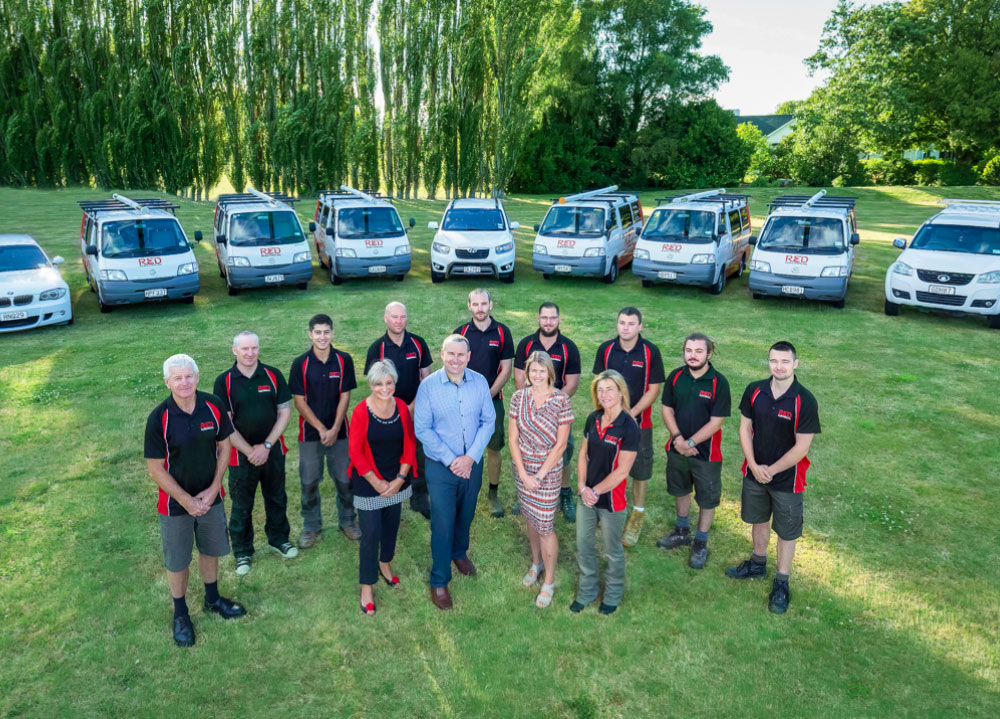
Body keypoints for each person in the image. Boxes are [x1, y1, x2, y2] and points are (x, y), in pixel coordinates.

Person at [144, 354, 246, 647]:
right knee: (177, 560)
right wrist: (187, 501)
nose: (185, 382)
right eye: (178, 378)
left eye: (189, 376)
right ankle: (180, 614)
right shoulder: (159, 418)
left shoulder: (213, 405)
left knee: (211, 548)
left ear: (197, 376)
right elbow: (155, 469)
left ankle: (212, 599)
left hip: (210, 497)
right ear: (167, 382)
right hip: (175, 505)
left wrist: (215, 487)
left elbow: (224, 445)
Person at [726, 341, 820, 615]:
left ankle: (781, 582)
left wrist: (771, 470)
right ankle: (757, 564)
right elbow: (744, 429)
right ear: (768, 362)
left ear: (795, 364)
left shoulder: (805, 400)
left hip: (787, 480)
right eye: (773, 361)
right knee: (758, 519)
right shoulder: (754, 390)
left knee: (787, 532)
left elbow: (802, 447)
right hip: (755, 472)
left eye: (784, 362)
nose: (778, 366)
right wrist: (754, 466)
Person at [413, 334, 496, 610]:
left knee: (467, 512)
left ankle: (459, 552)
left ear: (469, 357)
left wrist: (470, 457)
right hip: (441, 466)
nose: (456, 360)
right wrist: (452, 460)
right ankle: (439, 580)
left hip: (472, 464)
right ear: (442, 354)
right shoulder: (428, 387)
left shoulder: (481, 382)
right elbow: (423, 429)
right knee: (443, 520)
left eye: (461, 355)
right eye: (451, 354)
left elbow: (488, 421)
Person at [214, 331, 297, 577]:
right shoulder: (225, 381)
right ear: (234, 350)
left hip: (273, 452)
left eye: (254, 348)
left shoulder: (272, 375)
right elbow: (225, 424)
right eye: (245, 349)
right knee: (242, 505)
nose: (250, 353)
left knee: (277, 498)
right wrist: (250, 450)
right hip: (241, 457)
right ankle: (242, 552)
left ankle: (279, 539)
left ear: (259, 349)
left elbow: (284, 412)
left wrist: (267, 446)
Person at [348, 360, 417, 616]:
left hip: (396, 478)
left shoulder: (400, 406)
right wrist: (377, 482)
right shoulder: (360, 412)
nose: (384, 388)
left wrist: (399, 479)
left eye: (389, 383)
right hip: (369, 483)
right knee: (371, 533)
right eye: (379, 383)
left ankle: (385, 563)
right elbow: (355, 452)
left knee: (391, 525)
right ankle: (367, 585)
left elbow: (410, 443)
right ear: (371, 384)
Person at [657, 333, 731, 569]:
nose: (693, 355)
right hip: (676, 448)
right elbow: (667, 409)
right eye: (689, 350)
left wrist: (690, 444)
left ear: (709, 354)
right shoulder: (676, 376)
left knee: (707, 499)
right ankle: (681, 531)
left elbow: (716, 421)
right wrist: (678, 439)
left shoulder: (719, 382)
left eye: (699, 351)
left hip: (707, 455)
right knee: (680, 489)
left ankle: (700, 543)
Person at [592, 307, 665, 547]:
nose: (625, 327)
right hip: (607, 422)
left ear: (640, 326)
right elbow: (598, 385)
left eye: (631, 323)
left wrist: (630, 415)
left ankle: (637, 515)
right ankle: (606, 509)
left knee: (639, 471)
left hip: (638, 423)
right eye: (622, 322)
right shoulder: (606, 349)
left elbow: (654, 389)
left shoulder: (649, 351)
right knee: (606, 464)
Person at [508, 351, 574, 608]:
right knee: (530, 518)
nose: (537, 375)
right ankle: (537, 562)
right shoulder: (518, 397)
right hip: (523, 469)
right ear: (527, 373)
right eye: (532, 371)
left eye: (541, 371)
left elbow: (560, 445)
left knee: (545, 524)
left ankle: (549, 580)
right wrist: (524, 474)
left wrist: (539, 475)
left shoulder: (561, 400)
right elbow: (513, 438)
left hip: (547, 472)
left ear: (549, 373)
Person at [571, 370, 638, 616]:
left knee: (612, 551)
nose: (604, 394)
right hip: (586, 496)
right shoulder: (593, 418)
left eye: (610, 389)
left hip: (612, 501)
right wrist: (581, 487)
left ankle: (612, 594)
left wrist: (594, 491)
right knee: (584, 545)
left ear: (621, 392)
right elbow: (583, 454)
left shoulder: (629, 427)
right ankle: (587, 591)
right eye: (600, 390)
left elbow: (622, 472)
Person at [289, 314, 360, 547]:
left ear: (332, 333)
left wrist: (335, 428)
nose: (322, 336)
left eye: (326, 332)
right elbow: (299, 402)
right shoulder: (300, 363)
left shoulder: (343, 360)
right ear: (310, 334)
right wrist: (321, 429)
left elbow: (345, 395)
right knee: (309, 481)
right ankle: (311, 526)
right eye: (317, 332)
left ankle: (348, 520)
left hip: (340, 433)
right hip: (310, 435)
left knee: (345, 479)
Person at [514, 301, 581, 522]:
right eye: (545, 317)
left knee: (564, 452)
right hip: (529, 409)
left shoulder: (569, 347)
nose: (549, 322)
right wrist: (532, 404)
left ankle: (564, 492)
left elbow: (571, 383)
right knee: (524, 449)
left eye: (553, 318)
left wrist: (553, 407)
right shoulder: (526, 344)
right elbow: (518, 378)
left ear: (559, 319)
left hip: (557, 414)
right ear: (538, 319)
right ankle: (524, 490)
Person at [365, 301, 432, 519]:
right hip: (388, 413)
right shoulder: (377, 348)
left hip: (416, 409)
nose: (398, 321)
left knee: (419, 455)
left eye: (402, 317)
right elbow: (375, 385)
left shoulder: (418, 344)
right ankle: (389, 496)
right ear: (386, 318)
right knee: (390, 454)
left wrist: (412, 407)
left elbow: (426, 378)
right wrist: (395, 409)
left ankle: (419, 497)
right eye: (394, 317)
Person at [454, 288, 514, 518]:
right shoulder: (460, 333)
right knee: (462, 447)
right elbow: (453, 367)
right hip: (462, 402)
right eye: (475, 304)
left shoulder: (502, 332)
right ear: (469, 306)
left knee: (493, 448)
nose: (480, 308)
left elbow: (506, 369)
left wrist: (486, 396)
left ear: (491, 305)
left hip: (492, 401)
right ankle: (463, 491)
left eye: (483, 304)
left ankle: (493, 493)